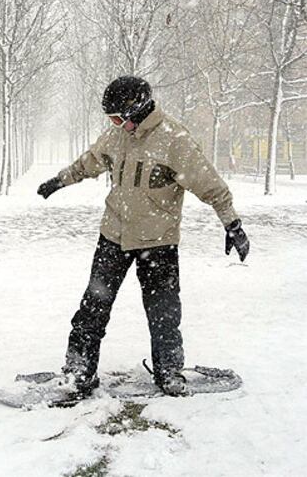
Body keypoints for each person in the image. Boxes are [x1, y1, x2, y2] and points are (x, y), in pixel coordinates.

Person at [37, 76, 249, 397]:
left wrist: (231, 223)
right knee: (93, 305)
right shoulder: (118, 136)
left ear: (136, 110)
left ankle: (169, 371)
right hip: (113, 236)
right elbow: (89, 162)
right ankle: (79, 371)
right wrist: (60, 180)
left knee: (163, 312)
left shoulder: (174, 140)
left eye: (118, 118)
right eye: (110, 119)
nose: (114, 125)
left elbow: (211, 185)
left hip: (158, 242)